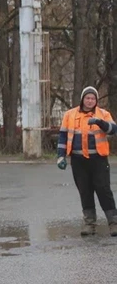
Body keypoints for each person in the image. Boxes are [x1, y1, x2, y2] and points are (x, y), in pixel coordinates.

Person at [56, 86, 117, 236]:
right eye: (87, 98)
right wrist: (60, 156)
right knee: (85, 191)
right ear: (83, 99)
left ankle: (114, 223)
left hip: (98, 159)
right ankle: (89, 224)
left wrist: (99, 122)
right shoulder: (70, 115)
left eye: (93, 98)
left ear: (96, 100)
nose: (90, 101)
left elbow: (113, 129)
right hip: (78, 160)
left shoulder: (103, 114)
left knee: (103, 190)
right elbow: (63, 136)